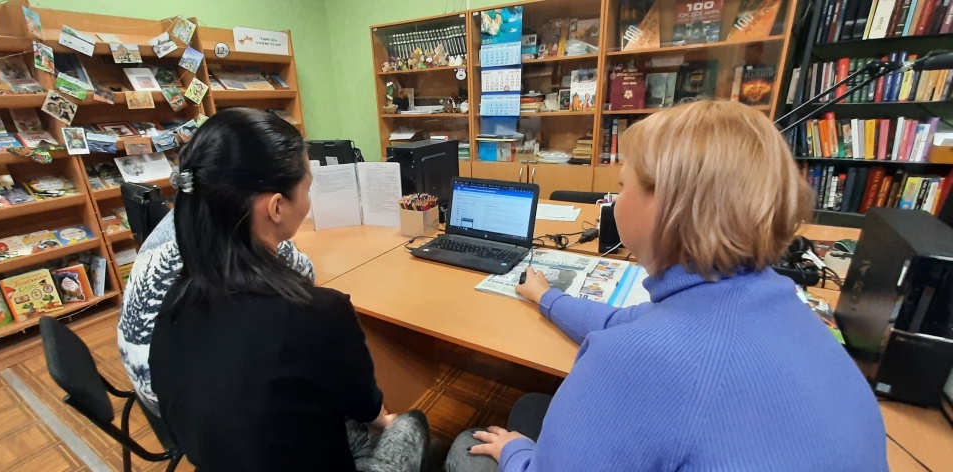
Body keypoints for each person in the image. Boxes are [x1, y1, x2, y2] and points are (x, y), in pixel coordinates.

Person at [446, 100, 888, 471]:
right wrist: (546, 297)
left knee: (472, 446)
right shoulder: (783, 305)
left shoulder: (627, 361)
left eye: (621, 187)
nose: (614, 201)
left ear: (667, 206)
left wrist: (517, 452)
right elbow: (622, 321)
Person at [147, 108, 429, 471]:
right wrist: (381, 423)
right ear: (277, 207)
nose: (308, 201)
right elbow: (366, 407)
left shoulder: (173, 304)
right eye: (307, 188)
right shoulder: (317, 314)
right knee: (411, 423)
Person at [117, 208, 314, 416]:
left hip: (155, 387)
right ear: (275, 205)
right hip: (192, 410)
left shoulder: (186, 213)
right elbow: (306, 274)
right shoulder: (244, 218)